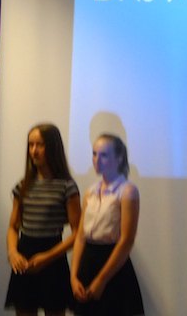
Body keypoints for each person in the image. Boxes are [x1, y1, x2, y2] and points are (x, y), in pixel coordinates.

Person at [5, 124, 81, 315]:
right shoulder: (23, 186)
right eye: (31, 145)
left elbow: (78, 232)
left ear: (52, 147)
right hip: (25, 256)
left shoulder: (66, 186)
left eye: (40, 145)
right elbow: (13, 227)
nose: (34, 150)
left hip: (53, 257)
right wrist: (13, 253)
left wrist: (47, 257)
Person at [70, 134, 144, 316]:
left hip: (112, 266)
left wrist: (101, 280)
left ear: (119, 158)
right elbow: (81, 236)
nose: (97, 160)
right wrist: (73, 276)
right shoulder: (91, 192)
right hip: (88, 261)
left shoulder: (127, 191)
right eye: (94, 154)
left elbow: (126, 240)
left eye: (103, 155)